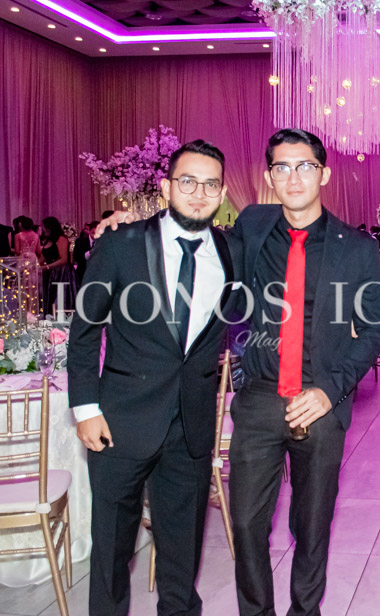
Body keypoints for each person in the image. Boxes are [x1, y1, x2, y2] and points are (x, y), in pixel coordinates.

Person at [68, 139, 241, 616]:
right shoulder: (120, 242)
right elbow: (85, 331)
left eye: (210, 184)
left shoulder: (233, 250)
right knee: (112, 546)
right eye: (188, 181)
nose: (199, 193)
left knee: (182, 545)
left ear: (223, 192)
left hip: (191, 423)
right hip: (119, 421)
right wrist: (85, 409)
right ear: (165, 187)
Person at [228, 128, 380, 616]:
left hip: (320, 402)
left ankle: (305, 610)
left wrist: (330, 391)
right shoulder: (252, 226)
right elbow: (201, 248)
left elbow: (375, 329)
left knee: (312, 526)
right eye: (282, 167)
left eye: (304, 166)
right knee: (246, 524)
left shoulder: (355, 248)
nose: (293, 177)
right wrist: (136, 227)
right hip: (259, 398)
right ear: (269, 177)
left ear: (324, 174)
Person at [39, 216, 76, 317]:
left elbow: (64, 259)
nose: (43, 229)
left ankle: (62, 319)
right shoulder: (47, 240)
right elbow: (42, 258)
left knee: (60, 298)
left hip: (61, 273)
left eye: (44, 227)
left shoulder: (61, 239)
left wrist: (47, 267)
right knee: (49, 297)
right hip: (50, 274)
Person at [13, 216, 42, 316]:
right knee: (33, 286)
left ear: (21, 225)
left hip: (22, 259)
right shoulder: (36, 235)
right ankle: (33, 310)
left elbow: (17, 251)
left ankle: (23, 311)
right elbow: (39, 251)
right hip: (33, 259)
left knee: (22, 285)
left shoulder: (18, 235)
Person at [73, 220, 99, 287]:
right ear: (89, 231)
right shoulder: (80, 241)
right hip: (83, 273)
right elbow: (77, 257)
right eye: (93, 233)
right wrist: (90, 252)